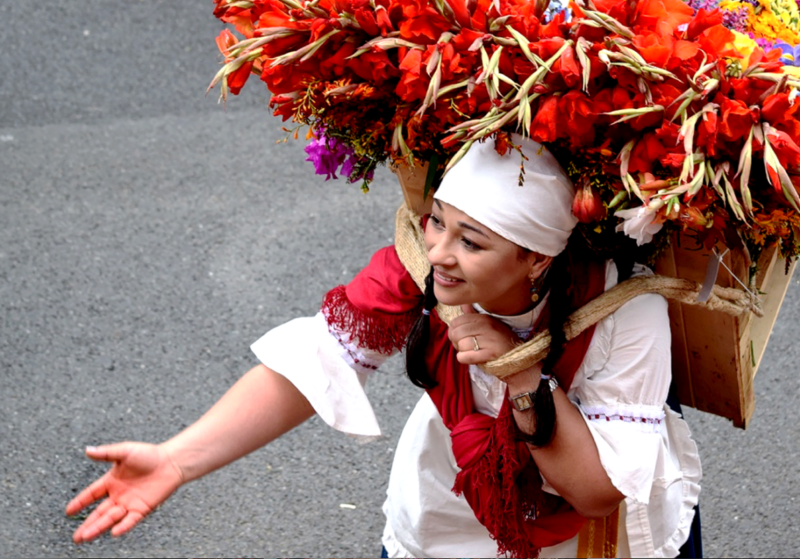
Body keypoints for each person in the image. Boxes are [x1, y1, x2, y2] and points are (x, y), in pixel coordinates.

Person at [66, 135, 701, 558]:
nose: (440, 253)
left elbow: (594, 493)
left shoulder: (625, 315)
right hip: (449, 505)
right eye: (437, 222)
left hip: (590, 538)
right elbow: (319, 362)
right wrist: (178, 461)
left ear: (535, 258)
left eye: (471, 242)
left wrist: (521, 373)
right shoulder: (421, 267)